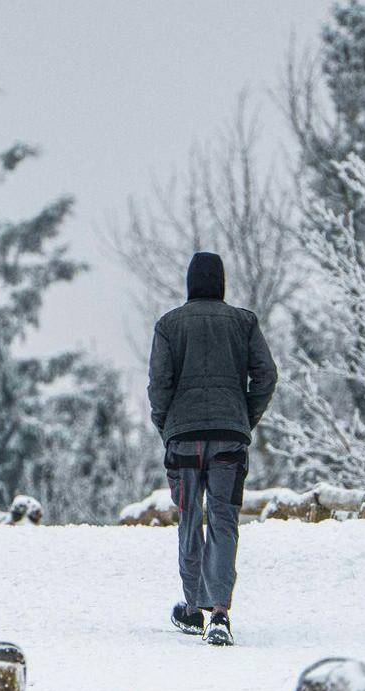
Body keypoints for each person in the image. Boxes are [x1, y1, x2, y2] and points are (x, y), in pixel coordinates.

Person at [146, 251, 277, 646]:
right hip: (229, 439)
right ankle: (220, 612)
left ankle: (192, 609)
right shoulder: (244, 322)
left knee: (189, 517)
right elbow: (266, 376)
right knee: (223, 518)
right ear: (221, 283)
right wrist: (243, 418)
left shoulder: (169, 325)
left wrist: (167, 427)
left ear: (190, 283)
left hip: (184, 440)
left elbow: (158, 385)